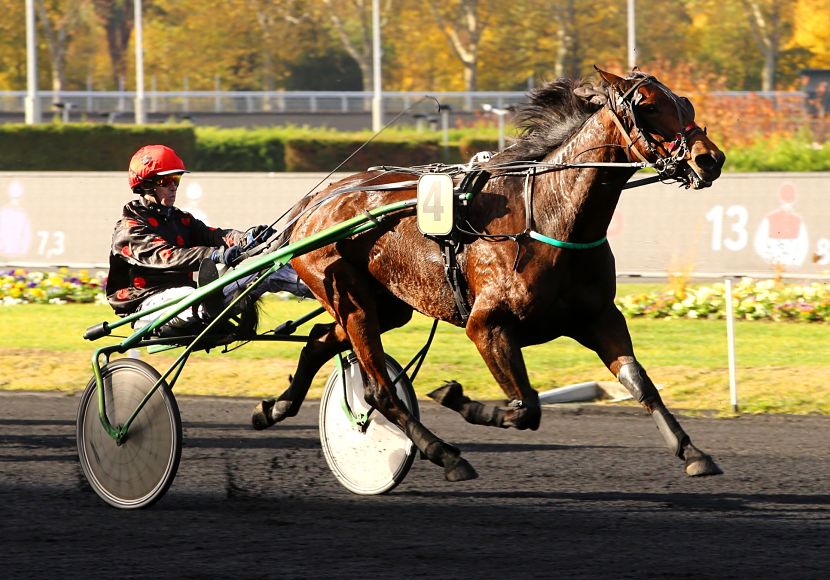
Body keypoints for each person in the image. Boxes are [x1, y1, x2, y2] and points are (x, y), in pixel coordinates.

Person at [106, 144, 312, 332]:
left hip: (186, 296)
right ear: (146, 185)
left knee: (270, 270)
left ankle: (332, 292)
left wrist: (248, 238)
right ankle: (208, 308)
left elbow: (215, 235)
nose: (173, 187)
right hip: (147, 303)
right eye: (165, 181)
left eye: (176, 179)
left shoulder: (179, 219)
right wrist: (215, 255)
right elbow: (167, 256)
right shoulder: (129, 228)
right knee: (190, 293)